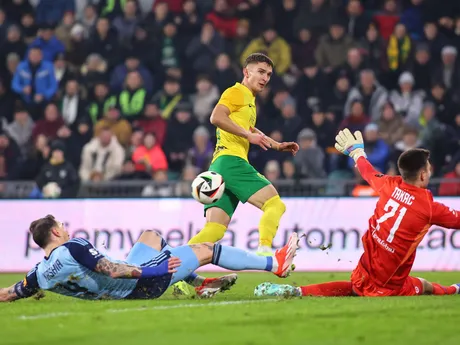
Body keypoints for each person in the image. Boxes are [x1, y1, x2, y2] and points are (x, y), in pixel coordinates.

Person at [255, 128, 460, 298]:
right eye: (429, 169)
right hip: (389, 283)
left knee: (355, 287)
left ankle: (296, 291)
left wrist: (356, 152)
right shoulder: (429, 207)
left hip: (366, 266)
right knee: (422, 285)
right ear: (423, 174)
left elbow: (367, 171)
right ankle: (455, 289)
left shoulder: (389, 184)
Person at [0, 215, 299, 302]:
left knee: (150, 236)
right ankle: (276, 264)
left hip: (116, 294)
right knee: (207, 248)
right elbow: (114, 270)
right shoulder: (74, 245)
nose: (66, 227)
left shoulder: (39, 273)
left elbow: (8, 294)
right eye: (61, 225)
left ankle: (197, 283)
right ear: (55, 231)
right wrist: (154, 270)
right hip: (140, 284)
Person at [189, 53, 299, 254]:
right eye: (261, 72)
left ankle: (173, 268)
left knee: (214, 230)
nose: (265, 78)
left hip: (220, 165)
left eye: (269, 74)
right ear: (246, 72)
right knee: (275, 204)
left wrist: (276, 145)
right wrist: (247, 136)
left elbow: (250, 129)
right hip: (232, 161)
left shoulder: (249, 99)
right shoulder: (236, 92)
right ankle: (265, 251)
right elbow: (216, 117)